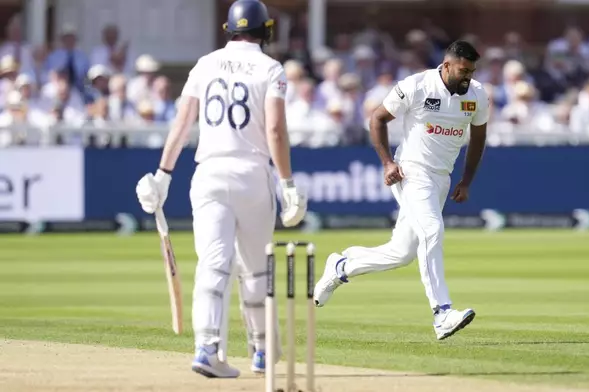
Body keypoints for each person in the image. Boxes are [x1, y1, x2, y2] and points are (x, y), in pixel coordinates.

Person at [135, 0, 307, 378]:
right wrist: (288, 183)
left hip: (209, 173)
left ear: (229, 30)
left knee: (213, 265)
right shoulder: (271, 69)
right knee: (255, 269)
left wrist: (163, 173)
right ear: (266, 31)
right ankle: (262, 352)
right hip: (251, 175)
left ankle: (207, 349)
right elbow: (276, 130)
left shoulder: (206, 63)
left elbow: (182, 123)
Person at [313, 40, 489, 341]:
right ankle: (442, 313)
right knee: (432, 231)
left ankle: (342, 266)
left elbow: (478, 138)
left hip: (442, 178)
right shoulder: (417, 85)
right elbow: (377, 119)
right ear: (446, 66)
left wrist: (466, 181)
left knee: (402, 253)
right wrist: (386, 163)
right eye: (463, 70)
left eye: (471, 72)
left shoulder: (477, 95)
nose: (467, 77)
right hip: (411, 172)